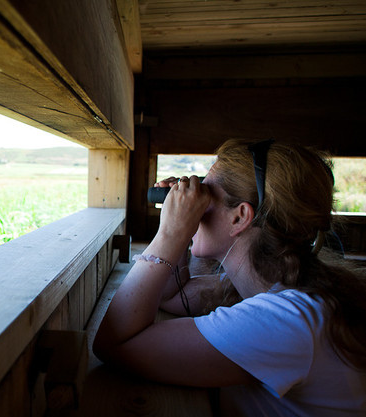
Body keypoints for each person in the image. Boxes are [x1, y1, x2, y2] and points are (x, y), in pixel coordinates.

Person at [93, 139, 366, 416]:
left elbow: (114, 343)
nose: (196, 205)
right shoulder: (278, 285)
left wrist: (171, 233)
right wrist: (179, 230)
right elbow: (171, 295)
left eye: (206, 193)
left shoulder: (287, 320)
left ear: (240, 217)